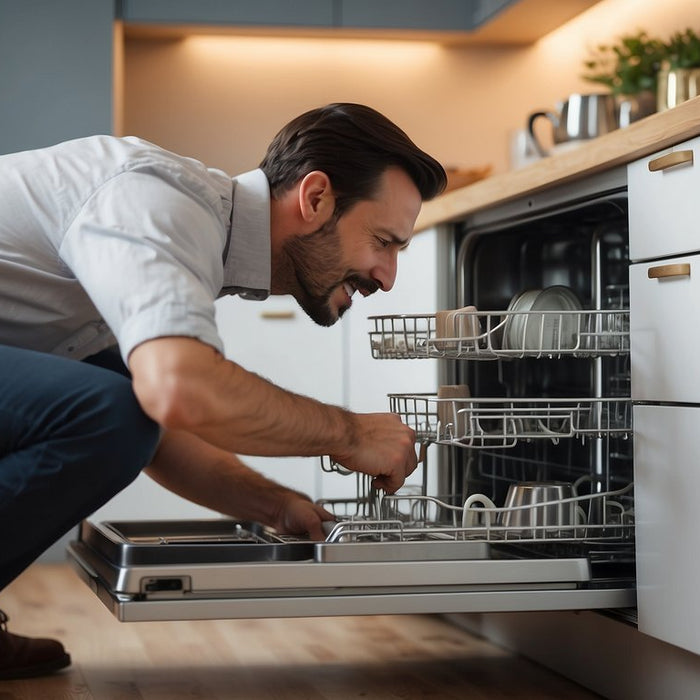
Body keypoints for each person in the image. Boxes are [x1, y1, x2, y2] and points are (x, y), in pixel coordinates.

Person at [0, 102, 447, 679]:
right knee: (108, 411)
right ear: (315, 199)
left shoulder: (192, 233)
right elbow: (177, 391)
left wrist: (275, 507)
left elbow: (154, 423)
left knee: (115, 393)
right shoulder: (161, 201)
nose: (387, 277)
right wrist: (351, 434)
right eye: (384, 242)